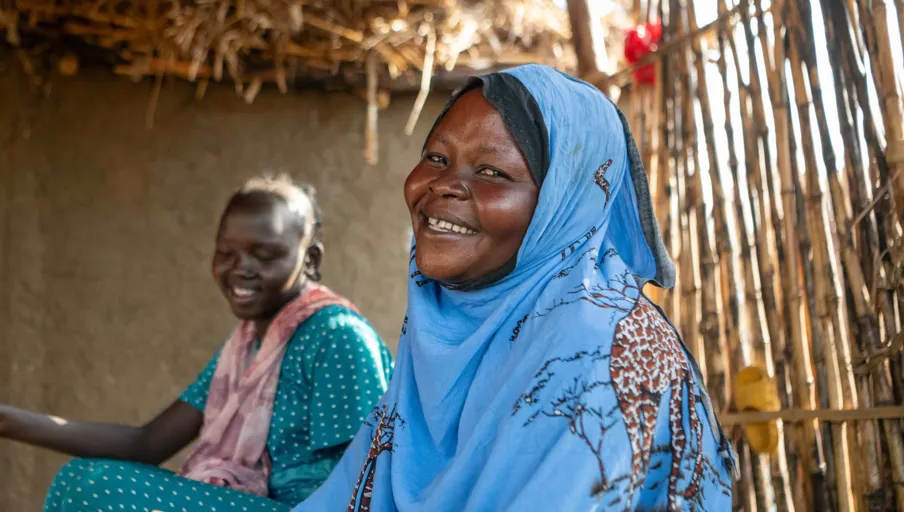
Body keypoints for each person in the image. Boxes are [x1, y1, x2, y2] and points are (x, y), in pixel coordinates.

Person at [297, 65, 737, 511]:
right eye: (436, 157)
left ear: (560, 205)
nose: (445, 186)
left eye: (491, 171)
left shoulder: (598, 351)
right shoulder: (451, 321)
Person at [0, 175, 394, 512]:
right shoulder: (247, 347)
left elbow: (369, 482)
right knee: (85, 479)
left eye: (264, 254)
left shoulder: (335, 337)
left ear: (309, 260)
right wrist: (4, 420)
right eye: (226, 253)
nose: (240, 269)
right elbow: (146, 443)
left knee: (89, 487)